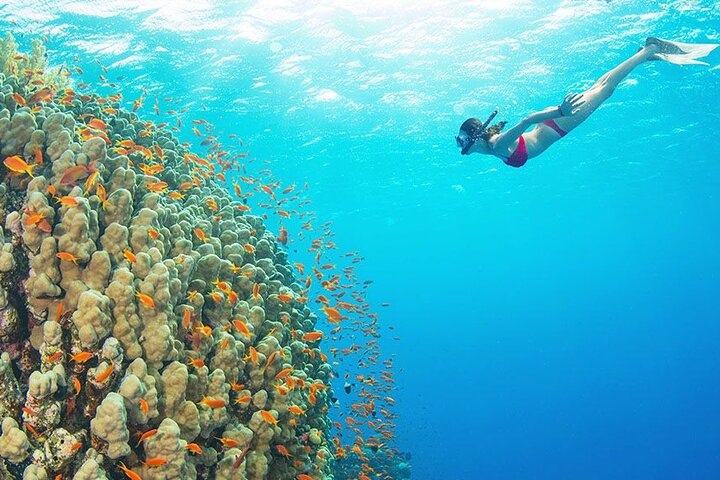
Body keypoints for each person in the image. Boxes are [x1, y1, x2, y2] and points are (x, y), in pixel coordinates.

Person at [455, 37, 719, 168]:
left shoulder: (497, 144)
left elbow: (526, 120)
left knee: (605, 90)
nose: (462, 145)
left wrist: (560, 110)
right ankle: (643, 55)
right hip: (552, 124)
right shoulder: (493, 147)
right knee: (599, 88)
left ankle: (649, 50)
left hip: (558, 123)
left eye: (462, 140)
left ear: (474, 137)